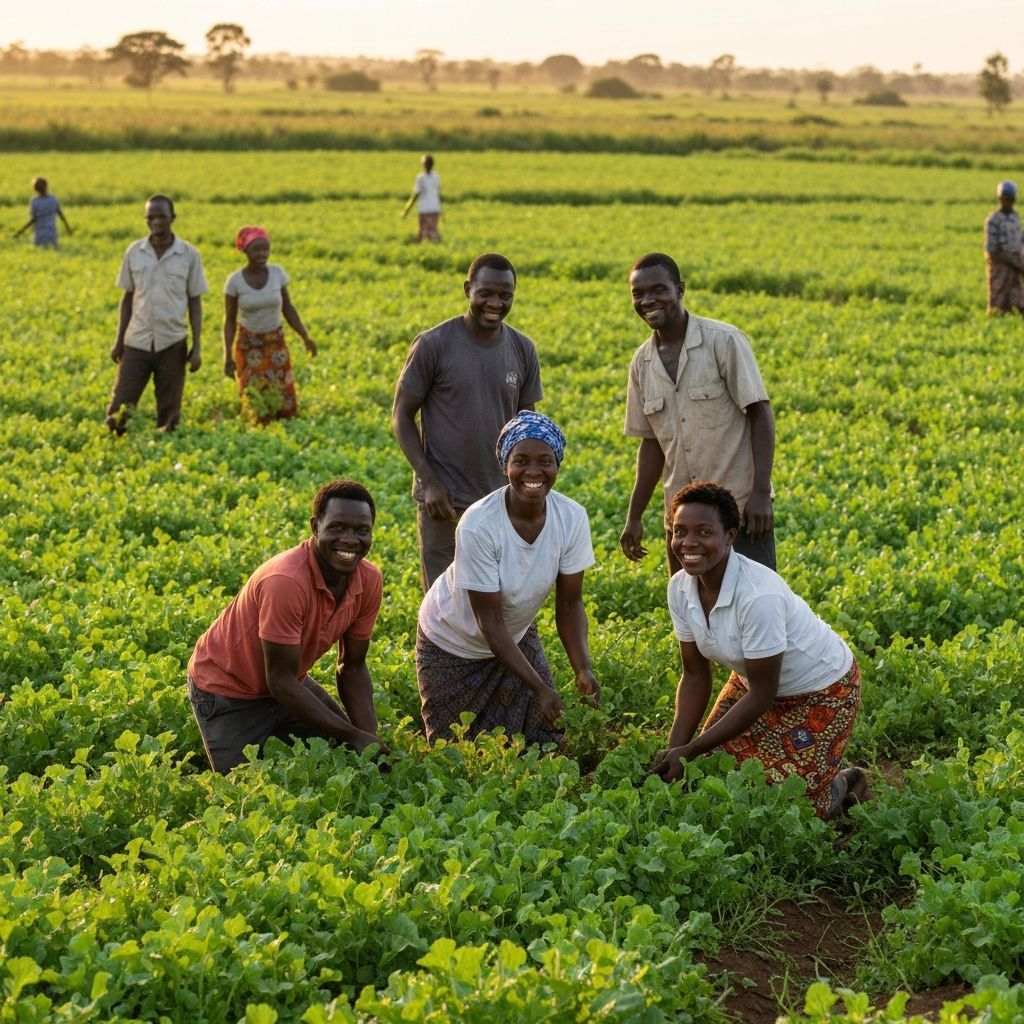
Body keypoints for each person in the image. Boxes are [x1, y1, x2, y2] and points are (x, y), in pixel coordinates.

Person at [650, 482, 864, 820]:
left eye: (703, 532)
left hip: (822, 691)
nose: (688, 543)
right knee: (708, 773)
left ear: (730, 535)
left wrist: (690, 750)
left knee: (786, 808)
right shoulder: (680, 587)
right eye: (680, 531)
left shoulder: (757, 596)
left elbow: (765, 694)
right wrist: (675, 752)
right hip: (754, 679)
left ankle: (843, 783)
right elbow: (694, 675)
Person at [416, 411, 600, 747]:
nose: (533, 472)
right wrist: (539, 687)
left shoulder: (571, 518)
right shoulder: (479, 524)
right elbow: (489, 620)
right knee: (455, 755)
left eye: (545, 461)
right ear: (505, 465)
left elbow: (570, 603)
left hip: (512, 633)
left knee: (546, 741)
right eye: (521, 461)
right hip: (452, 641)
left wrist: (582, 667)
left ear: (557, 465)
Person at [187, 480, 389, 773]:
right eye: (337, 527)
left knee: (350, 758)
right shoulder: (286, 581)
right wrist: (351, 734)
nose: (350, 540)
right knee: (244, 790)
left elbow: (353, 666)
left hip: (289, 681)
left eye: (362, 531)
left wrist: (368, 739)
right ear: (315, 527)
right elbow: (279, 681)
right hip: (228, 690)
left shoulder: (369, 580)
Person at [392, 253, 543, 590]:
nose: (495, 303)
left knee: (502, 597)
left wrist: (528, 489)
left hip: (502, 499)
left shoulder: (522, 348)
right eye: (485, 293)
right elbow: (401, 415)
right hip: (444, 501)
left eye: (505, 296)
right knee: (443, 598)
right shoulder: (433, 344)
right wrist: (429, 481)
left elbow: (527, 427)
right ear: (467, 290)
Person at [620, 252, 776, 574]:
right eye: (638, 294)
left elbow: (760, 413)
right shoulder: (642, 363)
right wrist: (634, 516)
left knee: (753, 609)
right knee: (690, 613)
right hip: (682, 523)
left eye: (658, 290)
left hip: (739, 513)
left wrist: (761, 493)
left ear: (680, 289)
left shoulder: (724, 341)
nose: (648, 300)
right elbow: (651, 444)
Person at [106, 195, 207, 434]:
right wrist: (119, 341)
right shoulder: (134, 252)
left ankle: (166, 450)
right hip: (137, 340)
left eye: (161, 216)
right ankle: (114, 444)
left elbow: (195, 301)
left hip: (172, 342)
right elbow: (128, 298)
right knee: (120, 405)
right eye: (150, 217)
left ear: (172, 218)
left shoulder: (189, 255)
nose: (156, 221)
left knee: (169, 410)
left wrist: (197, 346)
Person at [223, 225, 317, 423]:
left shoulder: (277, 274)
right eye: (257, 249)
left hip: (275, 342)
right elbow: (229, 320)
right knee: (254, 394)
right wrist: (227, 355)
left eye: (266, 248)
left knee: (282, 392)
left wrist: (305, 337)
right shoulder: (234, 281)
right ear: (245, 250)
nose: (262, 254)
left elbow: (288, 308)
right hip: (249, 345)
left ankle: (284, 426)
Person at [984, 180, 1024, 315]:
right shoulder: (993, 220)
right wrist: (1015, 263)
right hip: (1000, 268)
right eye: (1004, 198)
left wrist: (1020, 262)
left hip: (1015, 267)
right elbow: (992, 251)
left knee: (1018, 303)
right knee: (998, 304)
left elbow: (1020, 241)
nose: (1007, 201)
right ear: (999, 198)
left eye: (1010, 198)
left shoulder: (1015, 218)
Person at [15, 177, 72, 248]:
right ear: (46, 186)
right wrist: (68, 229)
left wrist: (20, 231)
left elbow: (33, 220)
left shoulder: (34, 201)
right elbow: (61, 215)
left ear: (35, 189)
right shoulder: (53, 199)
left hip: (39, 235)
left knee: (39, 254)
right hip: (52, 233)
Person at [402, 153, 442, 242]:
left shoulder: (421, 177)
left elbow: (415, 195)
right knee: (433, 233)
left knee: (423, 234)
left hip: (425, 209)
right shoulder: (436, 176)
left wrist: (406, 210)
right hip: (434, 208)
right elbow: (438, 193)